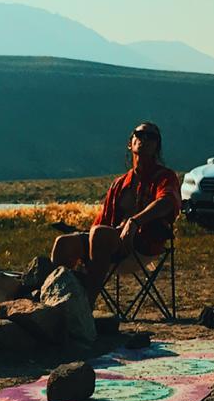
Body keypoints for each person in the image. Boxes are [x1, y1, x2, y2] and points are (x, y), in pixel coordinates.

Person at [51, 121, 181, 299]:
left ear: (157, 146)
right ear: (130, 142)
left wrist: (134, 222)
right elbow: (102, 221)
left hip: (144, 245)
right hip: (109, 245)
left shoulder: (165, 177)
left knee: (99, 234)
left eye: (152, 136)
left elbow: (167, 201)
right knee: (63, 243)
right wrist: (80, 234)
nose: (145, 139)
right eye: (140, 134)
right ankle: (56, 301)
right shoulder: (119, 184)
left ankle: (86, 304)